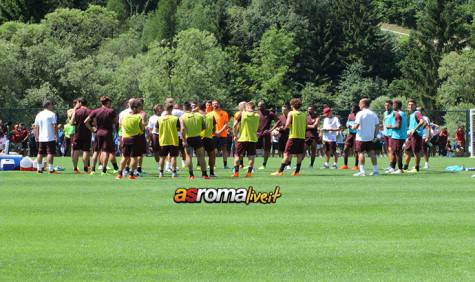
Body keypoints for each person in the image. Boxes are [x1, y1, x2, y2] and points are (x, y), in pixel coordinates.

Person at [271, 98, 307, 176]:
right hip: (301, 137)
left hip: (293, 136)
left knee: (286, 154)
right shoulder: (304, 114)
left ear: (292, 105)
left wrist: (282, 128)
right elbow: (305, 125)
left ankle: (280, 171)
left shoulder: (291, 113)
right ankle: (297, 172)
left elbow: (287, 125)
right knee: (299, 154)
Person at [85, 96, 119, 175]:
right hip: (107, 133)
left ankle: (93, 170)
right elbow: (116, 121)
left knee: (96, 151)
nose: (110, 104)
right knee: (106, 151)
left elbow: (86, 121)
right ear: (107, 103)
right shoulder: (111, 111)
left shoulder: (96, 111)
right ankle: (103, 170)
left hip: (98, 133)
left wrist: (92, 129)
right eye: (110, 103)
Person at [116, 99, 144, 180]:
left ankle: (119, 174)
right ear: (135, 108)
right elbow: (142, 128)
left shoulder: (124, 116)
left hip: (125, 139)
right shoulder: (139, 117)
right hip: (135, 138)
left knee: (124, 157)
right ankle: (131, 174)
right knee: (134, 158)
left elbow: (120, 126)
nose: (140, 109)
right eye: (139, 108)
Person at [180, 101, 209, 180]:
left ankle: (191, 175)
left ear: (184, 108)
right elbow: (204, 127)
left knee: (188, 156)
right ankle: (205, 175)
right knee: (201, 157)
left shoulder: (182, 117)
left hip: (188, 138)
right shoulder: (199, 116)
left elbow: (182, 129)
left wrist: (184, 140)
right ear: (191, 107)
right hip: (197, 138)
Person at [352, 98, 379, 177]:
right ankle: (375, 171)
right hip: (370, 137)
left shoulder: (360, 113)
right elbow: (377, 126)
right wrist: (375, 135)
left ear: (363, 104)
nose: (359, 105)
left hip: (361, 138)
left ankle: (362, 171)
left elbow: (356, 126)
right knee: (372, 153)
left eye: (360, 103)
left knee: (361, 153)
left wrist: (351, 127)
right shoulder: (373, 113)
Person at [233, 101, 260, 177]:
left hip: (242, 138)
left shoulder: (242, 114)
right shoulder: (257, 115)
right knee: (251, 157)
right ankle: (249, 173)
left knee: (237, 155)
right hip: (253, 139)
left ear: (247, 107)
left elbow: (234, 125)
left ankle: (236, 173)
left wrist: (235, 135)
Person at [157, 98, 180, 178]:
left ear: (164, 108)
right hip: (173, 140)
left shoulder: (159, 119)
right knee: (173, 157)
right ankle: (174, 173)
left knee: (162, 157)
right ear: (172, 109)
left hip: (163, 140)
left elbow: (157, 129)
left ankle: (161, 173)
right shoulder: (175, 118)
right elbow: (178, 129)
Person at [34, 100, 58, 174]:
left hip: (41, 138)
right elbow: (55, 126)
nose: (52, 106)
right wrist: (56, 135)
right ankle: (51, 169)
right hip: (50, 137)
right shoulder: (52, 114)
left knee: (40, 153)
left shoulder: (39, 114)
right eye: (52, 104)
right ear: (48, 105)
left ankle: (39, 168)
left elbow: (36, 127)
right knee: (50, 153)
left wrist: (36, 136)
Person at [403, 99, 426, 173]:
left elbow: (422, 121)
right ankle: (405, 168)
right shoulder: (411, 114)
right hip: (411, 135)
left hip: (416, 135)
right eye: (409, 104)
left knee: (416, 152)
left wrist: (415, 129)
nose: (410, 106)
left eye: (412, 105)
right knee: (407, 151)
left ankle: (416, 168)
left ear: (415, 106)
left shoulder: (417, 113)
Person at [70, 97, 92, 174]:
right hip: (87, 133)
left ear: (79, 102)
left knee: (76, 151)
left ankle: (75, 169)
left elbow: (71, 122)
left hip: (78, 134)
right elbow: (94, 123)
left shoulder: (77, 111)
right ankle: (86, 169)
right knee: (86, 151)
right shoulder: (90, 111)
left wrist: (74, 110)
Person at [256, 101, 277, 170]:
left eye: (261, 106)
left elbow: (278, 121)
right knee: (252, 148)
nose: (260, 107)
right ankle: (251, 164)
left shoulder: (270, 113)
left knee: (266, 149)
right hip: (257, 134)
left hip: (266, 134)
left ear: (264, 106)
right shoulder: (256, 113)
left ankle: (264, 164)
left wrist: (271, 130)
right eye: (259, 106)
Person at [200, 102, 217, 177]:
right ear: (206, 107)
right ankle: (212, 172)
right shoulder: (211, 116)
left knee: (201, 156)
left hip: (200, 138)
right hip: (209, 138)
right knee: (212, 155)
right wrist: (211, 133)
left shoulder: (198, 116)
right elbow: (214, 128)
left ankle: (203, 173)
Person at [341, 104, 360, 170]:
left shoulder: (360, 115)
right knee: (345, 149)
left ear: (357, 109)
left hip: (358, 134)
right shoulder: (350, 115)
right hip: (350, 134)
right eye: (352, 108)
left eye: (353, 108)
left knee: (356, 151)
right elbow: (347, 123)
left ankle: (356, 166)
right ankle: (345, 165)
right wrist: (348, 125)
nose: (352, 109)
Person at [212, 100, 230, 168]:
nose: (215, 105)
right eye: (213, 104)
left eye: (216, 103)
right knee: (213, 150)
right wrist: (215, 132)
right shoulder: (210, 114)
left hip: (223, 134)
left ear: (219, 104)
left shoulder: (224, 113)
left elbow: (226, 124)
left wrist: (220, 132)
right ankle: (213, 164)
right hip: (213, 134)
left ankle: (225, 165)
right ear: (212, 105)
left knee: (224, 149)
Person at [148, 104, 162, 172]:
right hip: (155, 135)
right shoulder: (152, 118)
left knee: (165, 150)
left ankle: (168, 165)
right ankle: (158, 164)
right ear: (155, 110)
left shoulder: (163, 116)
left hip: (163, 135)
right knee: (156, 151)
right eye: (159, 108)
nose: (161, 110)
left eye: (161, 108)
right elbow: (150, 129)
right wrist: (150, 138)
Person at [382, 100, 394, 172]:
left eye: (388, 105)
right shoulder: (385, 113)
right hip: (385, 134)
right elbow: (384, 121)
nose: (386, 107)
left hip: (392, 134)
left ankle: (392, 166)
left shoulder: (394, 113)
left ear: (391, 106)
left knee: (391, 150)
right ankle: (391, 165)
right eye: (385, 105)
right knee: (388, 150)